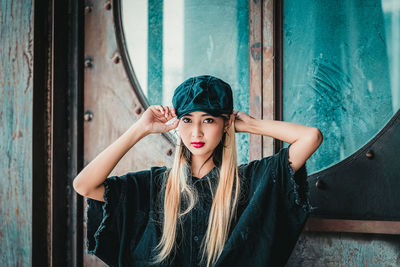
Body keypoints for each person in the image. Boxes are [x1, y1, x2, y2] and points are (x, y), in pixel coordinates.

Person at [73, 75, 323, 267]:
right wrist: (141, 128)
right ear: (178, 123)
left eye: (209, 120)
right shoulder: (154, 185)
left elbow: (310, 137)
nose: (196, 132)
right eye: (188, 119)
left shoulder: (250, 180)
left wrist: (252, 125)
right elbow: (84, 185)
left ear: (225, 124)